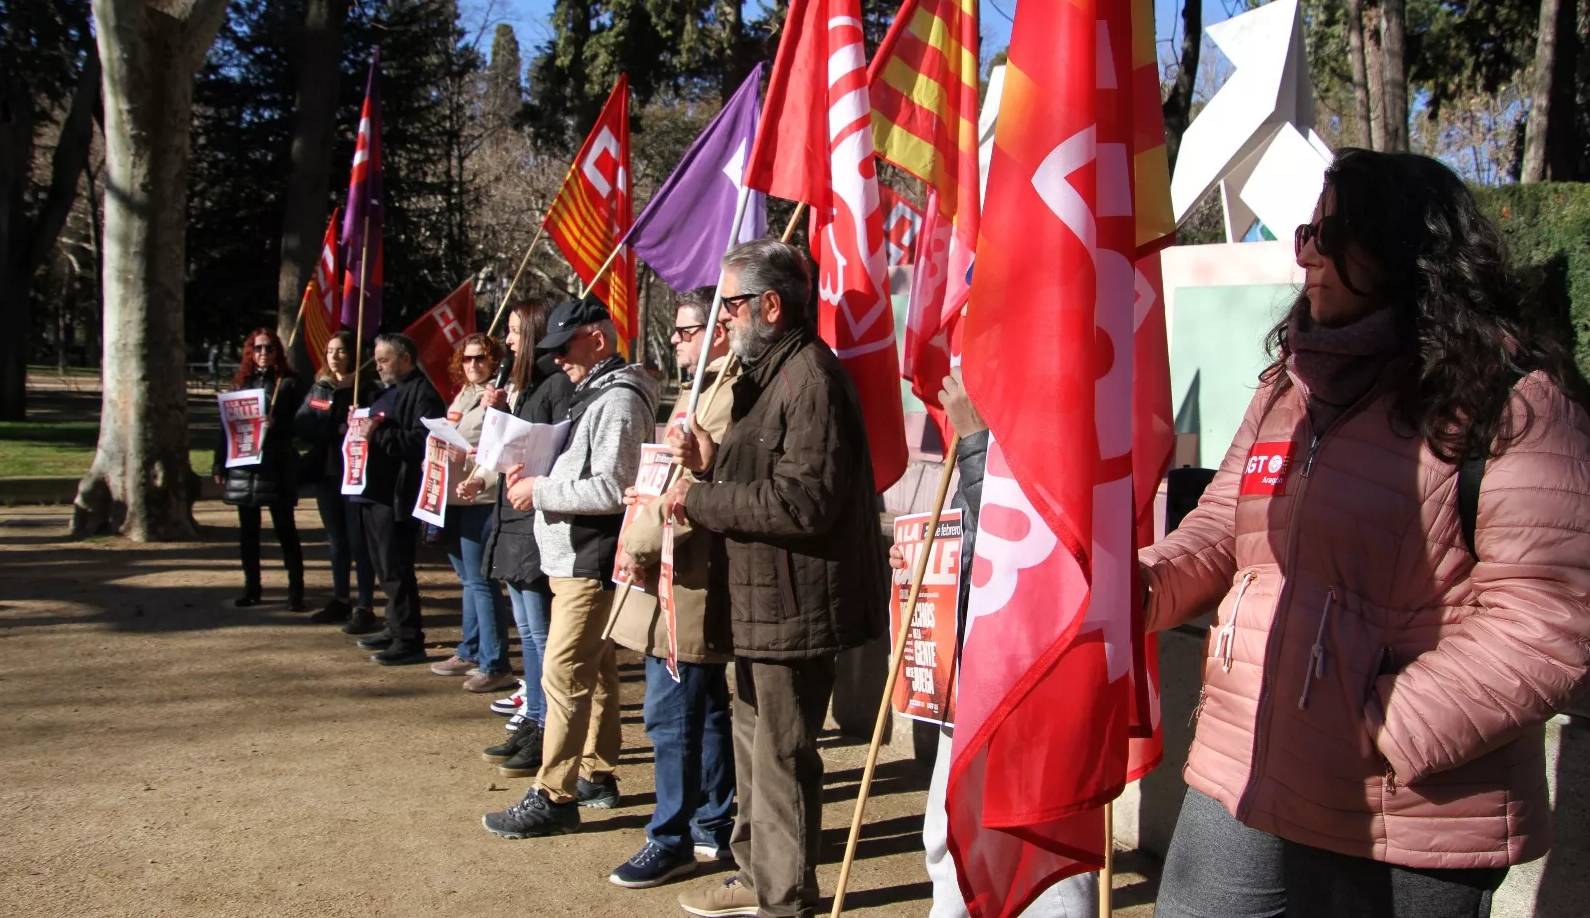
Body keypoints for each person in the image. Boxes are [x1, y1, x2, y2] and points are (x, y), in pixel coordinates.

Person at [1142, 149, 1590, 918]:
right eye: (1305, 231)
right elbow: (1224, 528)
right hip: (1244, 760)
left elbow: (1550, 614)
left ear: (1401, 249)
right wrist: (1141, 587)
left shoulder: (1515, 405)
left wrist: (1389, 722)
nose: (1304, 252)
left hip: (1409, 808)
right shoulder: (1288, 386)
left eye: (1328, 231)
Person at [665, 239, 889, 918]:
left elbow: (804, 502)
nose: (723, 319)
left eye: (730, 305)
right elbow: (766, 477)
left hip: (795, 606)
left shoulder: (810, 378)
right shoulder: (768, 375)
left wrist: (700, 499)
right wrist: (708, 461)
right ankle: (756, 879)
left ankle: (785, 900)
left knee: (784, 756)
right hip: (758, 602)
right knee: (755, 749)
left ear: (769, 305)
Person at [897, 369, 1099, 918]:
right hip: (974, 665)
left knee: (1041, 846)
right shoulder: (985, 427)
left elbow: (1032, 537)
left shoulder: (1055, 410)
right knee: (950, 835)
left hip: (1032, 665)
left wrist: (976, 442)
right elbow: (977, 537)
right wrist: (930, 559)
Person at [481, 295, 658, 838]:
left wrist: (539, 489)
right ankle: (596, 774)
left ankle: (554, 795)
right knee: (594, 671)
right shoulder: (596, 393)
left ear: (598, 339)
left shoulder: (617, 400)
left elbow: (613, 487)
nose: (557, 358)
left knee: (562, 674)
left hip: (589, 557)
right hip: (577, 555)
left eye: (566, 346)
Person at [606, 288, 741, 889]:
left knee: (671, 714)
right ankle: (712, 822)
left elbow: (693, 488)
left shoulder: (725, 392)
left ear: (717, 332)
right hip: (677, 564)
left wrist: (639, 540)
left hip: (686, 571)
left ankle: (671, 837)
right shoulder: (701, 388)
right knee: (704, 708)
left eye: (687, 331)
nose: (676, 340)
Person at [466, 298, 574, 776]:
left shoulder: (555, 385)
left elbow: (548, 450)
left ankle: (547, 723)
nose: (507, 340)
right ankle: (533, 716)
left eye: (514, 330)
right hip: (511, 515)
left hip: (534, 519)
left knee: (542, 632)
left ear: (533, 332)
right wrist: (501, 411)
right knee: (527, 630)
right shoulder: (524, 383)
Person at [352, 332, 448, 666]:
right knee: (382, 566)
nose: (378, 366)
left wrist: (380, 433)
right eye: (377, 360)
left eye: (384, 359)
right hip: (373, 491)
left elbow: (425, 441)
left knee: (396, 568)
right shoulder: (387, 392)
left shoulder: (423, 393)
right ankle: (393, 627)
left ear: (405, 358)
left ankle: (409, 639)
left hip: (397, 494)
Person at [428, 332, 516, 693]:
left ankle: (495, 663)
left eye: (481, 358)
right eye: (467, 358)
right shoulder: (464, 393)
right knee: (468, 580)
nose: (473, 364)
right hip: (451, 496)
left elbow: (501, 447)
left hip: (481, 498)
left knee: (481, 581)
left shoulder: (500, 395)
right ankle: (471, 649)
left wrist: (466, 457)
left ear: (494, 360)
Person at [212, 327, 305, 610]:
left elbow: (302, 425)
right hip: (245, 467)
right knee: (248, 533)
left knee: (285, 530)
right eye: (258, 348)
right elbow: (226, 429)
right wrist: (219, 463)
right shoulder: (240, 385)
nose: (263, 353)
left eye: (269, 348)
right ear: (250, 352)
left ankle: (296, 591)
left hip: (276, 466)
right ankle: (252, 588)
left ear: (277, 351)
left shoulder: (288, 384)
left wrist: (278, 426)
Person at [294, 329, 380, 632]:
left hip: (355, 474)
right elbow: (302, 425)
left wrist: (354, 423)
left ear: (353, 355)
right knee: (337, 541)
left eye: (341, 350)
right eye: (330, 350)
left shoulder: (366, 390)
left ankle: (365, 605)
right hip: (326, 473)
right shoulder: (321, 388)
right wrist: (332, 424)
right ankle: (340, 598)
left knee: (359, 541)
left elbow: (374, 425)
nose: (334, 356)